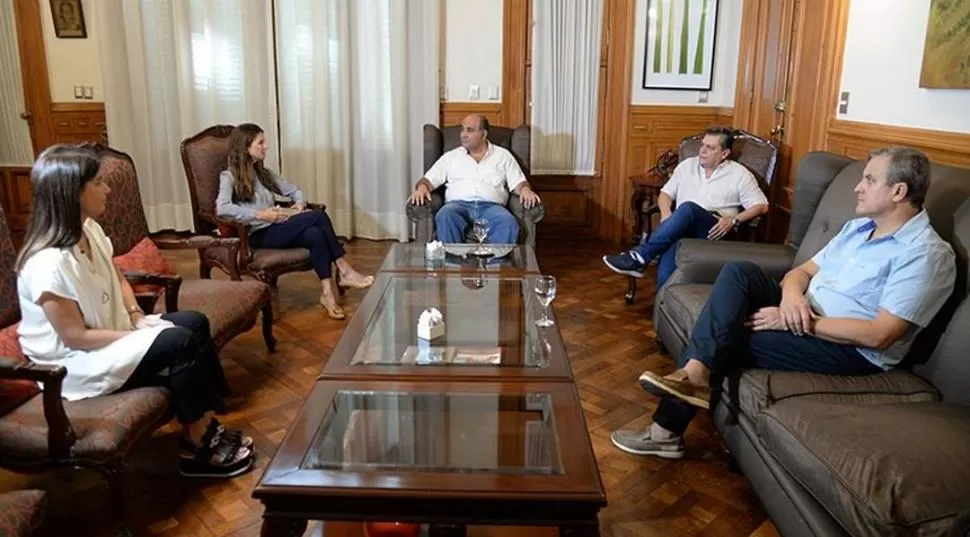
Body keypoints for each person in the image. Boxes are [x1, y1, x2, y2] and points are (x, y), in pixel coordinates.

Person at [611, 146, 956, 459]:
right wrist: (792, 299)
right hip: (805, 308)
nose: (858, 187)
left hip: (850, 349)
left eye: (869, 179)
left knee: (727, 335)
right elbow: (801, 271)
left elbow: (880, 335)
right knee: (739, 271)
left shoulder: (925, 254)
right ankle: (695, 374)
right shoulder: (858, 228)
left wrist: (792, 320)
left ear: (898, 191)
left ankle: (665, 430)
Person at [16, 145, 254, 478]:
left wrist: (136, 316)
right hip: (75, 363)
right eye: (99, 183)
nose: (108, 189)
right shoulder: (46, 263)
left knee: (195, 322)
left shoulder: (90, 229)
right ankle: (194, 443)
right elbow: (75, 337)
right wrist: (138, 334)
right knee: (180, 341)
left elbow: (117, 277)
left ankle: (205, 418)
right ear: (72, 192)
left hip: (109, 334)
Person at [216, 123, 373, 320]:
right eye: (261, 142)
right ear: (245, 147)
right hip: (257, 234)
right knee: (318, 216)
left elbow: (295, 190)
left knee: (315, 235)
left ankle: (327, 295)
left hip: (278, 227)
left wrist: (299, 204)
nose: (266, 146)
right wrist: (259, 214)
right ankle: (343, 269)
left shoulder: (264, 173)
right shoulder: (229, 176)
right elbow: (222, 208)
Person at [603, 127, 769, 288]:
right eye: (702, 145)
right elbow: (665, 194)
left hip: (715, 230)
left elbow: (761, 205)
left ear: (724, 154)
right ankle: (661, 305)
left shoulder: (739, 174)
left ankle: (639, 257)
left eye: (710, 148)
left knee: (688, 208)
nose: (702, 151)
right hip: (682, 228)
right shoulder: (686, 166)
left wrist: (733, 220)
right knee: (665, 278)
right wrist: (667, 216)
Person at [408, 114, 541, 244]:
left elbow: (518, 182)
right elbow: (428, 180)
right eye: (463, 129)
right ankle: (452, 264)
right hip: (457, 206)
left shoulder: (502, 156)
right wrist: (422, 188)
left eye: (469, 130)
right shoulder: (451, 157)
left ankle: (497, 265)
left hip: (492, 207)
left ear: (483, 134)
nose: (463, 134)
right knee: (445, 216)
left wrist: (525, 190)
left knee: (508, 222)